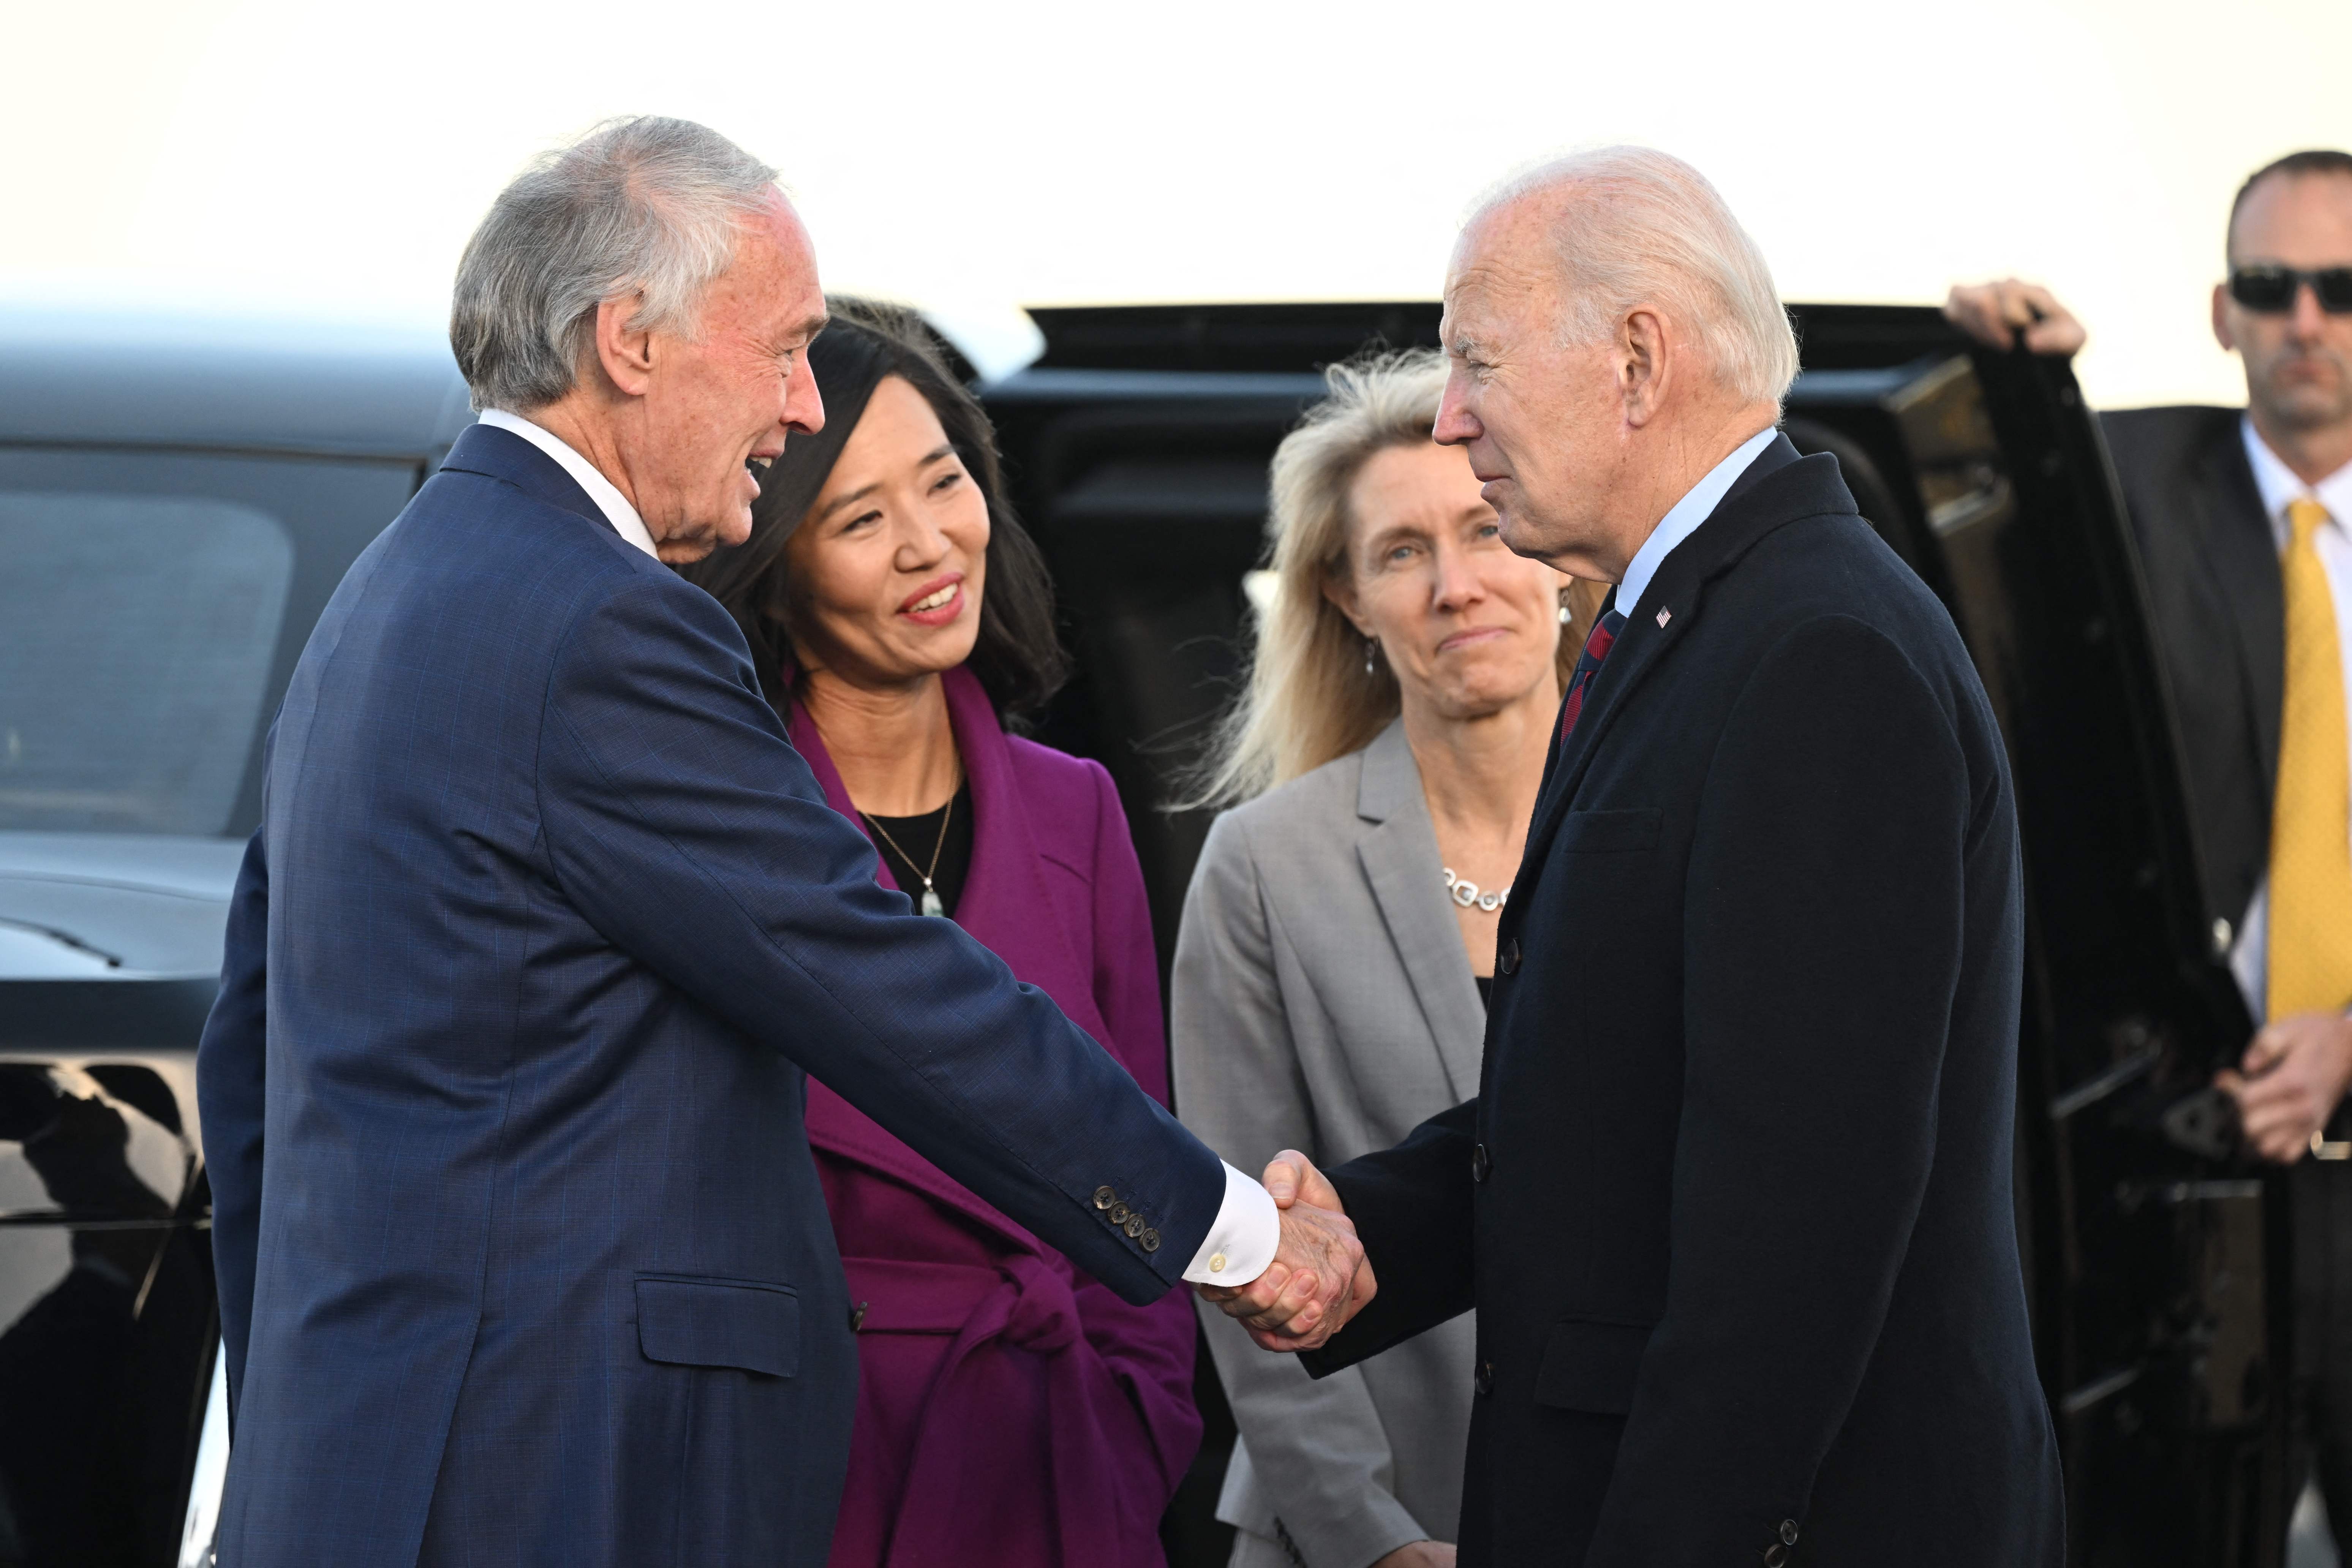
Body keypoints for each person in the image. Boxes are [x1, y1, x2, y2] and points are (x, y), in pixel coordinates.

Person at [192, 116, 1364, 1568]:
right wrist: (1234, 1235)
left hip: (392, 1459)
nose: (806, 406)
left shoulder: (390, 594)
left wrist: (330, 1409)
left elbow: (254, 1071)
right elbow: (875, 976)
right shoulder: (596, 621)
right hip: (549, 1475)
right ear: (630, 339)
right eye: (785, 347)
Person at [1205, 146, 2064, 1567]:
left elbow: (1791, 1230)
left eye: (1476, 358)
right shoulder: (1692, 629)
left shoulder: (1815, 654)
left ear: (1639, 359)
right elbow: (1614, 1101)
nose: (1458, 414)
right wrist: (1355, 1229)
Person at [675, 301, 1197, 1568]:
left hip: (1046, 1470)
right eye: (859, 520)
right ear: (778, 563)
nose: (927, 546)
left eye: (944, 482)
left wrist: (1132, 1425)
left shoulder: (1075, 809)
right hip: (800, 1473)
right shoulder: (710, 829)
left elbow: (1145, 1159)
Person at [1948, 147, 2352, 1551]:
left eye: (2341, 289)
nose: (2307, 318)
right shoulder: (2127, 485)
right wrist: (2017, 370)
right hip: (2187, 1176)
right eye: (2270, 285)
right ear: (2222, 312)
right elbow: (2013, 496)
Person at [1171, 349, 1595, 1568]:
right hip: (1355, 1530)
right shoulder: (1262, 867)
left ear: (1554, 558)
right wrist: (1380, 1543)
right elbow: (1240, 1244)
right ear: (1348, 597)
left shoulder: (1662, 826)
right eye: (1403, 552)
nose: (1458, 585)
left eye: (1483, 529)